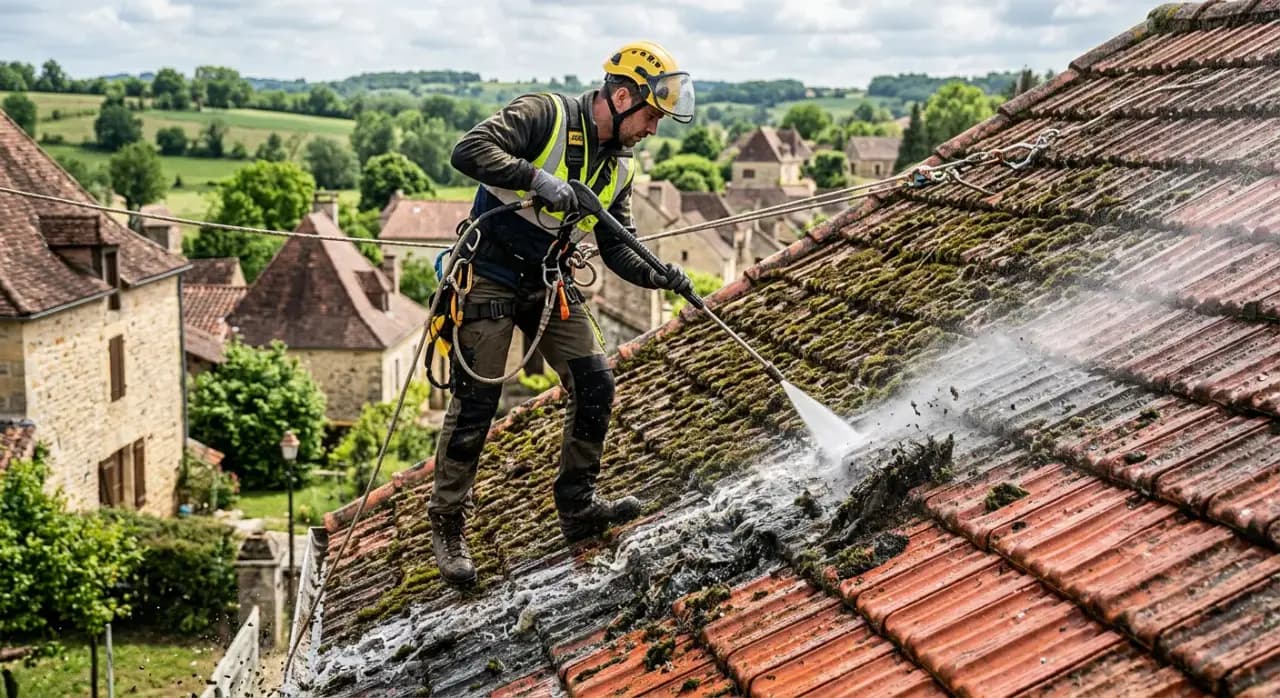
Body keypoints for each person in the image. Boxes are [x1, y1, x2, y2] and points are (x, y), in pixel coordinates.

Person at [427, 41, 697, 585]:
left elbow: (618, 246)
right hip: (490, 274)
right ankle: (448, 521)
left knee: (596, 382)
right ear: (621, 97)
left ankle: (578, 506)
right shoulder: (543, 115)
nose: (652, 130)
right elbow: (468, 150)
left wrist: (656, 274)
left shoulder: (618, 172)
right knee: (477, 400)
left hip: (551, 284)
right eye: (649, 116)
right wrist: (536, 180)